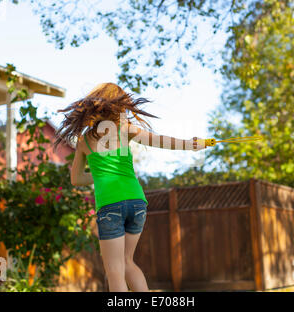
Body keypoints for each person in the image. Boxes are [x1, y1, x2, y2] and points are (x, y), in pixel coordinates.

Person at [53, 82, 205, 292]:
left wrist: (100, 174)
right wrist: (189, 144)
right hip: (137, 202)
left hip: (110, 205)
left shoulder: (85, 140)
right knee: (127, 263)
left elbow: (76, 179)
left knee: (115, 272)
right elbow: (160, 141)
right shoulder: (125, 129)